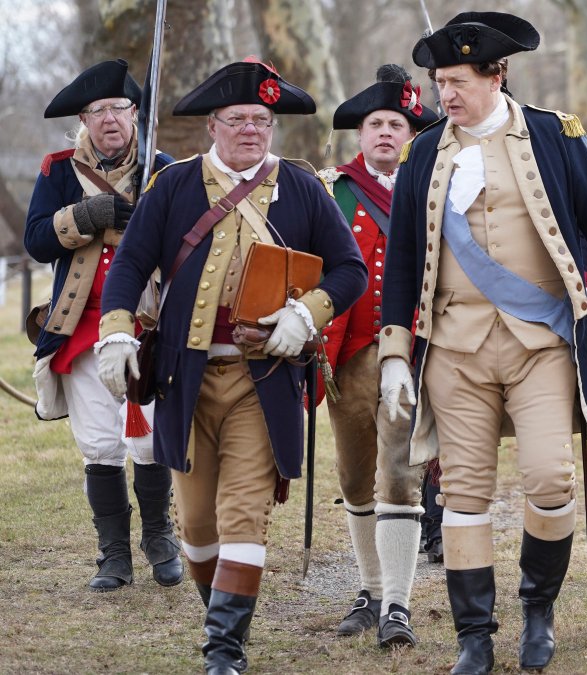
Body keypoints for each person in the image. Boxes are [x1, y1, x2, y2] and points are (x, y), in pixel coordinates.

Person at [378, 12, 587, 674]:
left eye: (459, 81)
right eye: (440, 81)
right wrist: (394, 354)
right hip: (455, 344)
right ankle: (475, 635)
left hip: (541, 341)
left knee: (550, 477)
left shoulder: (557, 137)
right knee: (465, 490)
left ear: (497, 75)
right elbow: (400, 259)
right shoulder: (423, 154)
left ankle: (538, 610)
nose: (447, 94)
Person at [96, 59, 367, 673]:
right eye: (239, 119)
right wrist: (115, 334)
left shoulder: (300, 186)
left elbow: (348, 269)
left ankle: (223, 649)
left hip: (263, 380)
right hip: (183, 381)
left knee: (243, 513)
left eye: (262, 120)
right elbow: (132, 266)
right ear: (212, 125)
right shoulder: (172, 186)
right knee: (196, 528)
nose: (251, 129)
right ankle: (223, 612)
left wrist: (307, 315)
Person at [25, 59, 181, 592]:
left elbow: (187, 246)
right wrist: (86, 217)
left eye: (118, 108)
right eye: (98, 111)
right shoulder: (57, 170)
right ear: (85, 119)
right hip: (80, 326)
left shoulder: (163, 167)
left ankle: (160, 538)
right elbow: (38, 239)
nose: (110, 119)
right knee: (100, 445)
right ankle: (113, 555)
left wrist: (147, 221)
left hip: (147, 325)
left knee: (151, 442)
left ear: (135, 113)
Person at [316, 63, 437, 647]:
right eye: (375, 124)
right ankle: (369, 587)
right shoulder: (330, 189)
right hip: (345, 357)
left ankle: (397, 602)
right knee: (354, 475)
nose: (386, 132)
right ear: (359, 135)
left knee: (399, 474)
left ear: (411, 135)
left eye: (397, 124)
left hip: (410, 352)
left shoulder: (434, 185)